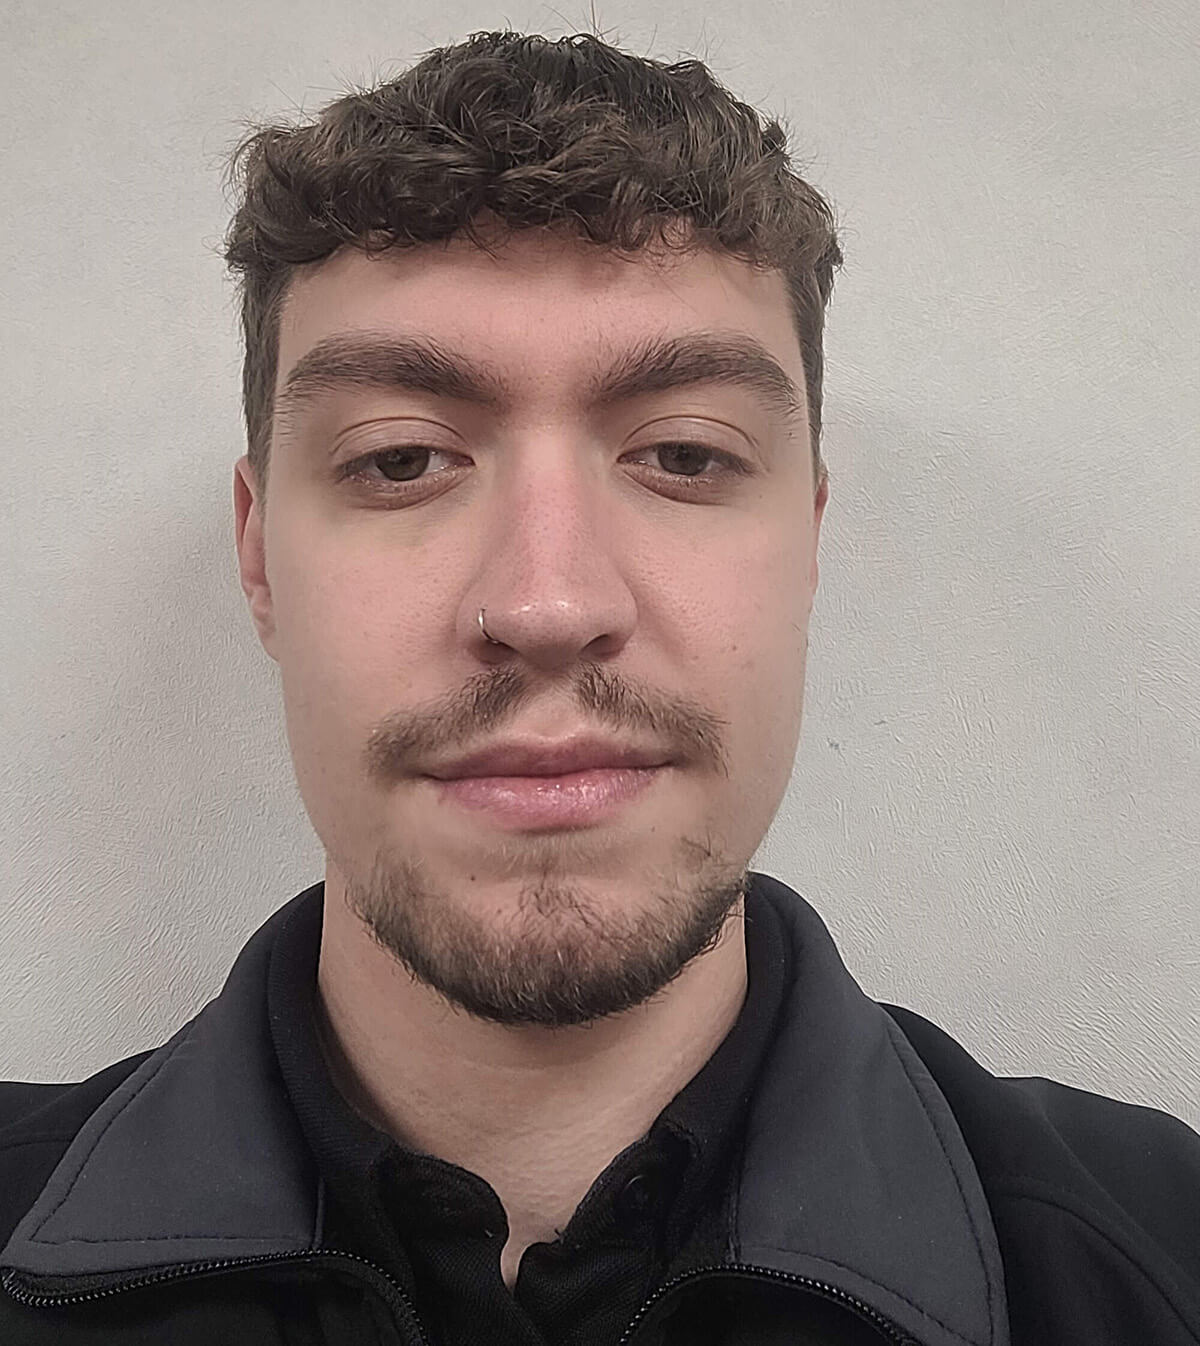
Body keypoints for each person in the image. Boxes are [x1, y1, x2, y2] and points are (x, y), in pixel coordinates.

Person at [2, 28, 1197, 1346]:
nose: (549, 605)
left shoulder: (1161, 1255)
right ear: (259, 556)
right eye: (402, 460)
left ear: (808, 541)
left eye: (683, 453)